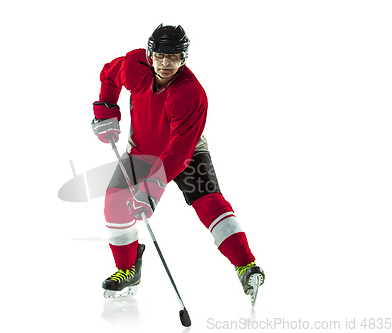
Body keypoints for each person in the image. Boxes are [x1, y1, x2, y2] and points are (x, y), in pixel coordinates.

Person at [91, 24, 265, 302]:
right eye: (159, 55)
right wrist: (106, 111)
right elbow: (109, 75)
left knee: (208, 202)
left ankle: (246, 265)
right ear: (150, 55)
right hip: (141, 151)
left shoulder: (191, 94)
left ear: (184, 58)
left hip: (187, 151)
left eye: (173, 56)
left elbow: (178, 152)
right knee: (114, 203)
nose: (165, 62)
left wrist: (151, 190)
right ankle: (127, 269)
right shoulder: (135, 65)